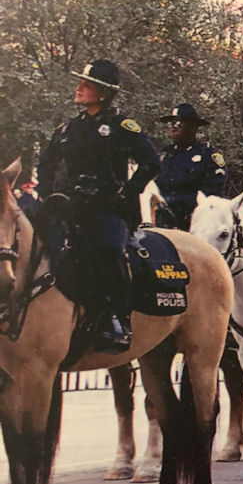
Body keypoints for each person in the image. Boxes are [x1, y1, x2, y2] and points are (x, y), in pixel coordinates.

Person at [36, 59, 161, 353]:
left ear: (103, 94)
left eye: (87, 84)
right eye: (81, 82)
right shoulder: (68, 128)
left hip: (109, 209)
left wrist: (126, 191)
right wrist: (46, 195)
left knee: (108, 251)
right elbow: (45, 163)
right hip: (69, 208)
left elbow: (150, 163)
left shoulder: (122, 126)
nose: (79, 87)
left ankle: (118, 318)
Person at [154, 103, 227, 230]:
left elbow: (211, 192)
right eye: (170, 124)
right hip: (161, 220)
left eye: (177, 124)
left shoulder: (208, 156)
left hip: (192, 222)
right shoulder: (165, 155)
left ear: (193, 128)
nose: (172, 128)